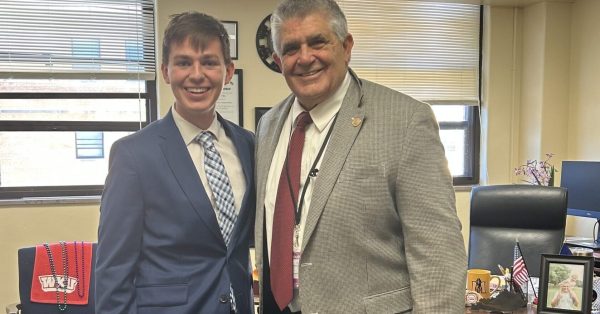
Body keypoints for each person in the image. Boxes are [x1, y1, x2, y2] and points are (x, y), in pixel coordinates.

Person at [254, 0, 467, 313]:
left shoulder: (405, 121)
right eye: (290, 48)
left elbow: (438, 257)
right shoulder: (269, 125)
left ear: (346, 46)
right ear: (277, 59)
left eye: (317, 42)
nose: (305, 57)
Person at [95, 11, 255, 314]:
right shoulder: (133, 155)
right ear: (166, 72)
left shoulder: (247, 144)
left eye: (209, 62)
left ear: (228, 71)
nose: (197, 74)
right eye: (183, 63)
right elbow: (113, 270)